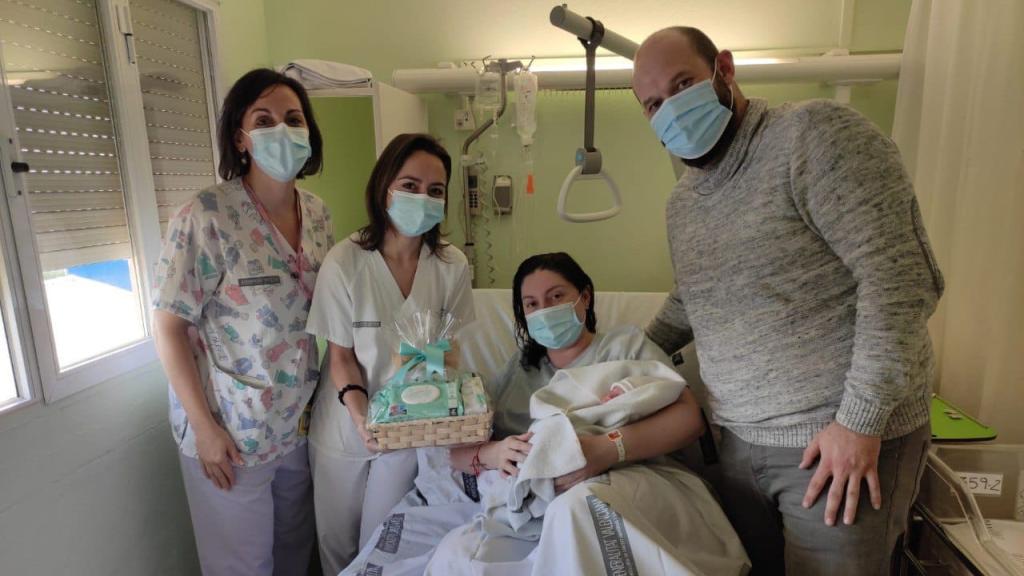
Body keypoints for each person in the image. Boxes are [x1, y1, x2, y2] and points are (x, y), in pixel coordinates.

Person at [631, 26, 944, 574]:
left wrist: (860, 423)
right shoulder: (683, 204)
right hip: (738, 447)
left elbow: (900, 279)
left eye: (683, 84)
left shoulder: (815, 136)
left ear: (724, 69)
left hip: (835, 446)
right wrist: (630, 353)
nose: (671, 110)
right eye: (654, 103)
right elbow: (697, 295)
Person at [342, 252, 748, 576]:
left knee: (580, 508)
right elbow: (459, 455)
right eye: (531, 304)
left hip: (631, 478)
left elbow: (689, 418)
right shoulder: (521, 372)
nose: (545, 310)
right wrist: (496, 453)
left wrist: (604, 451)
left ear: (584, 298)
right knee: (457, 555)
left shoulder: (625, 347)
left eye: (556, 296)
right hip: (537, 500)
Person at [152, 68, 332, 576]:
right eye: (264, 119)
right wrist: (206, 430)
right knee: (242, 565)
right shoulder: (205, 215)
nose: (283, 129)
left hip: (296, 423)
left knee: (296, 553)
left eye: (293, 119)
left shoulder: (318, 216)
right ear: (241, 137)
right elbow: (167, 328)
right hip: (229, 429)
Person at [305, 133, 475, 574]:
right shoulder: (346, 262)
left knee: (382, 548)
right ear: (384, 188)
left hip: (408, 430)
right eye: (410, 185)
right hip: (346, 425)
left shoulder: (451, 265)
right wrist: (363, 418)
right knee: (339, 549)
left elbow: (451, 349)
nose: (423, 198)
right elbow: (341, 355)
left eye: (435, 191)